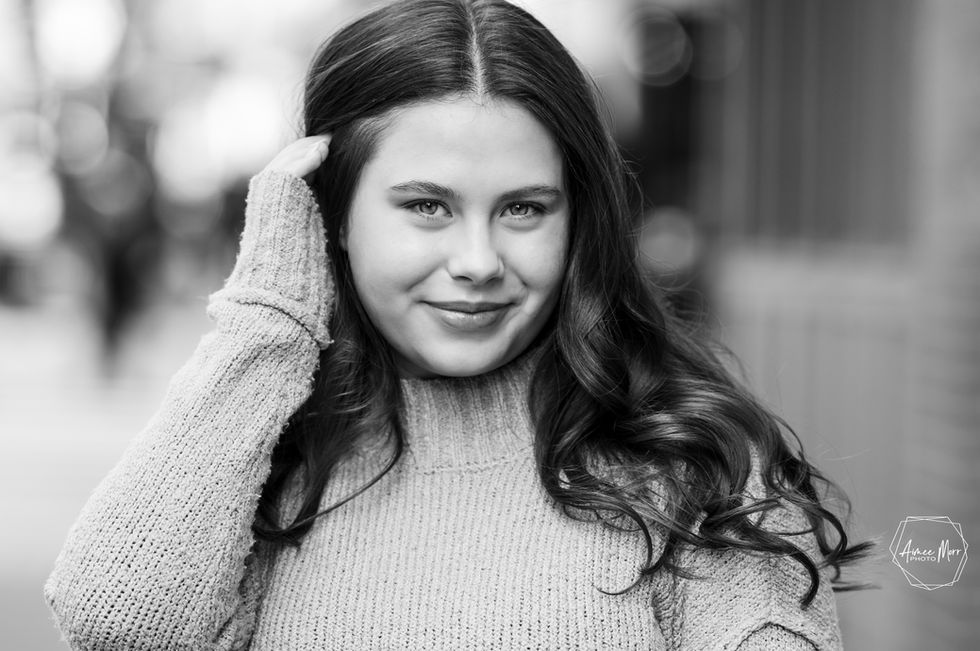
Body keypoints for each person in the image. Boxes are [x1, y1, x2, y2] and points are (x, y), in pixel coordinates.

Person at [44, 0, 870, 648]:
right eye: (427, 206)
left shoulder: (694, 467)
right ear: (331, 215)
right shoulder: (257, 461)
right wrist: (268, 318)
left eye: (524, 208)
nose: (479, 260)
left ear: (579, 219)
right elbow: (121, 621)